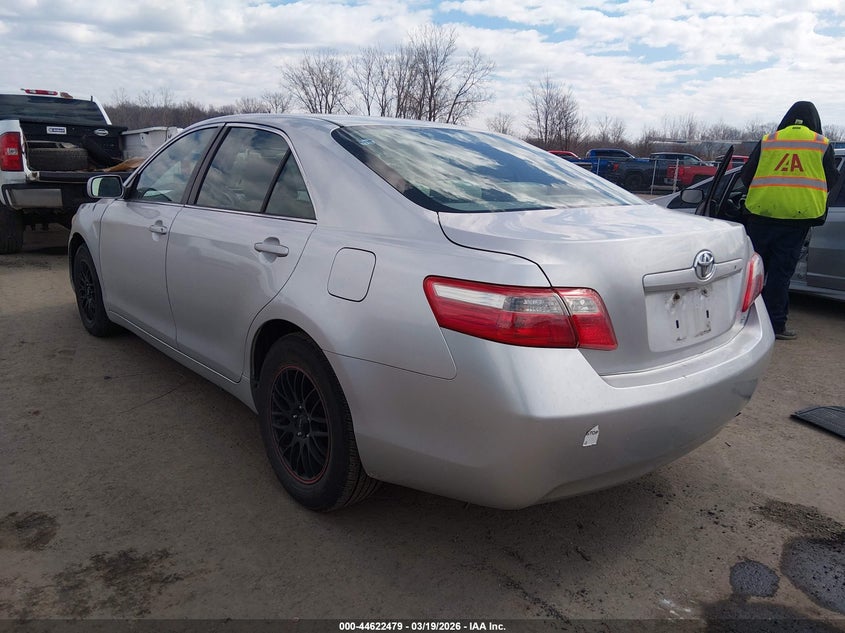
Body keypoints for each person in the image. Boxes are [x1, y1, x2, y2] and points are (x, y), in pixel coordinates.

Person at [740, 101, 839, 340]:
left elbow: (746, 176)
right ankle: (775, 325)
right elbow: (832, 181)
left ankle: (743, 321)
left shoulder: (768, 141)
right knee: (781, 274)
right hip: (796, 220)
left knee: (754, 270)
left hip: (761, 215)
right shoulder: (821, 145)